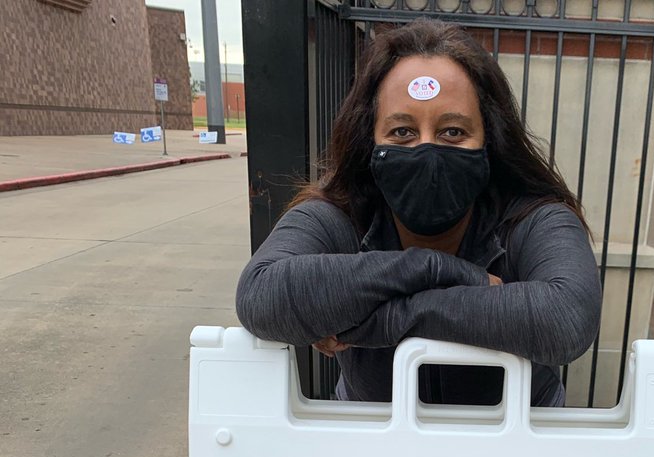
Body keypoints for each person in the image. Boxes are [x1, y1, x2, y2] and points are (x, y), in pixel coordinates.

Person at [235, 18, 602, 408]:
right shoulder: (341, 214)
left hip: (514, 450)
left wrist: (378, 321)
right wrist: (436, 270)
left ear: (490, 140)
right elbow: (261, 294)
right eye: (402, 132)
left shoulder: (532, 219)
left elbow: (567, 318)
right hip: (379, 447)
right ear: (369, 139)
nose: (427, 150)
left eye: (453, 132)